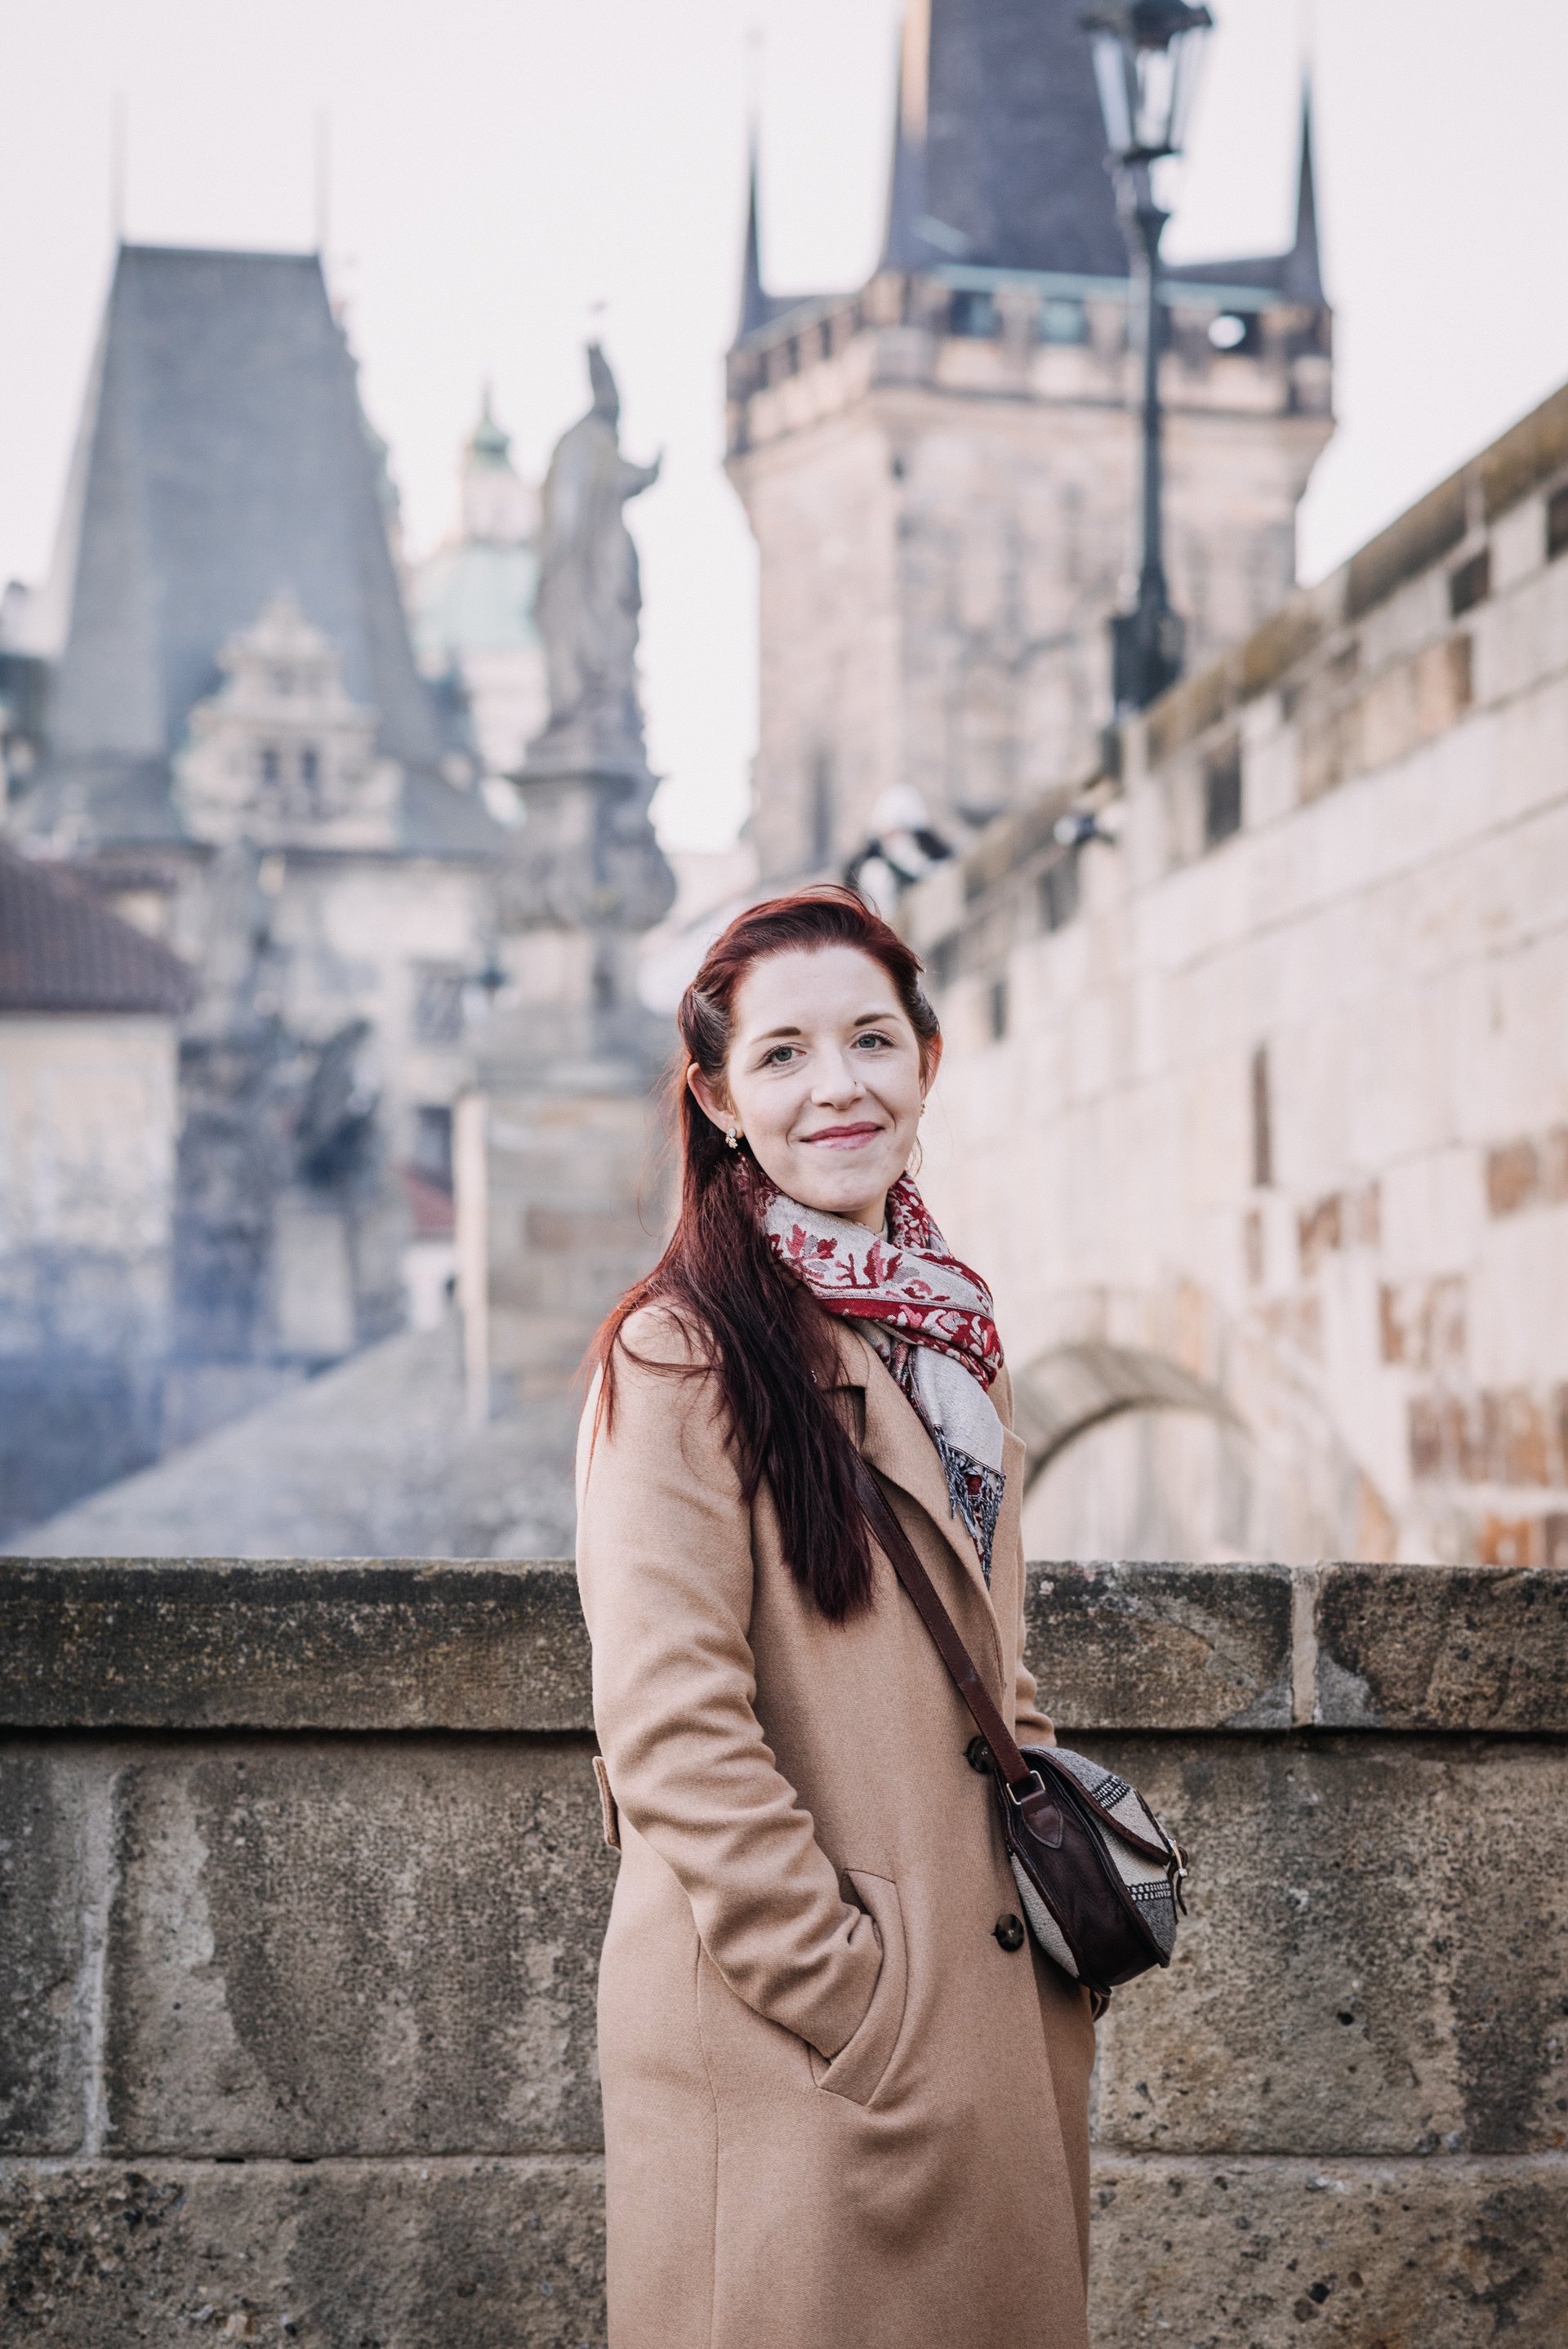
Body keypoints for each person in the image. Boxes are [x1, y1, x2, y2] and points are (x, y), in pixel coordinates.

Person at [575, 887, 1095, 2349]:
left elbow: (991, 1661)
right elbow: (672, 1730)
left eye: (872, 1040)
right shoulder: (680, 1352)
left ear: (927, 1060)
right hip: (806, 2054)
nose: (838, 1088)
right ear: (719, 1100)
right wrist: (857, 2000)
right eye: (784, 1055)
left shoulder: (946, 1335)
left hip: (977, 2009)